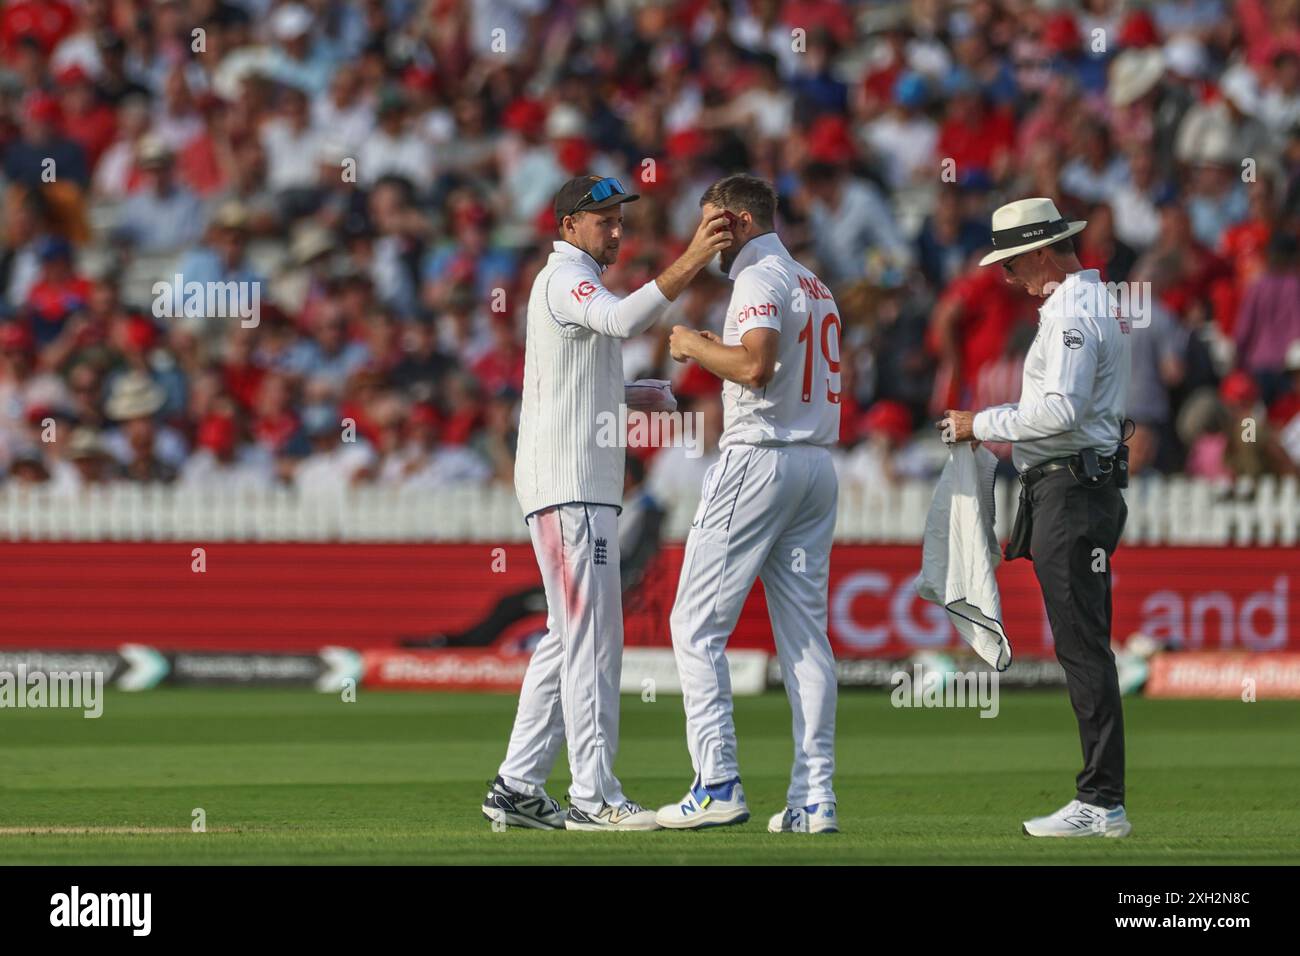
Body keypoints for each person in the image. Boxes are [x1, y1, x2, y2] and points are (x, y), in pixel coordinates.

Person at [481, 175, 732, 831]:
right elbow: (621, 319)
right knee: (593, 640)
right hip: (572, 489)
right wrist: (695, 257)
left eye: (621, 220)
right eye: (604, 220)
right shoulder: (566, 277)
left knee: (570, 638)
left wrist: (650, 395)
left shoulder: (566, 282)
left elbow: (579, 378)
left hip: (574, 486)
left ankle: (517, 785)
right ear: (568, 225)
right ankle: (593, 797)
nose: (616, 231)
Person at [655, 174, 842, 835]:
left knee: (694, 626)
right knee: (805, 638)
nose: (703, 236)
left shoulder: (758, 279)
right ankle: (815, 798)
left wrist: (693, 344)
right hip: (817, 464)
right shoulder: (815, 286)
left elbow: (756, 366)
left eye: (709, 222)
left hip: (760, 456)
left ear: (735, 220)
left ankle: (718, 783)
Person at [942, 197, 1134, 838]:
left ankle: (1102, 802)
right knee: (1082, 643)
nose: (1008, 278)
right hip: (1074, 487)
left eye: (1014, 263)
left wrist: (980, 423)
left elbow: (1060, 413)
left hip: (1072, 490)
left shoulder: (1073, 311)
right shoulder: (1086, 304)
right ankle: (1101, 798)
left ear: (1042, 254)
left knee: (1081, 646)